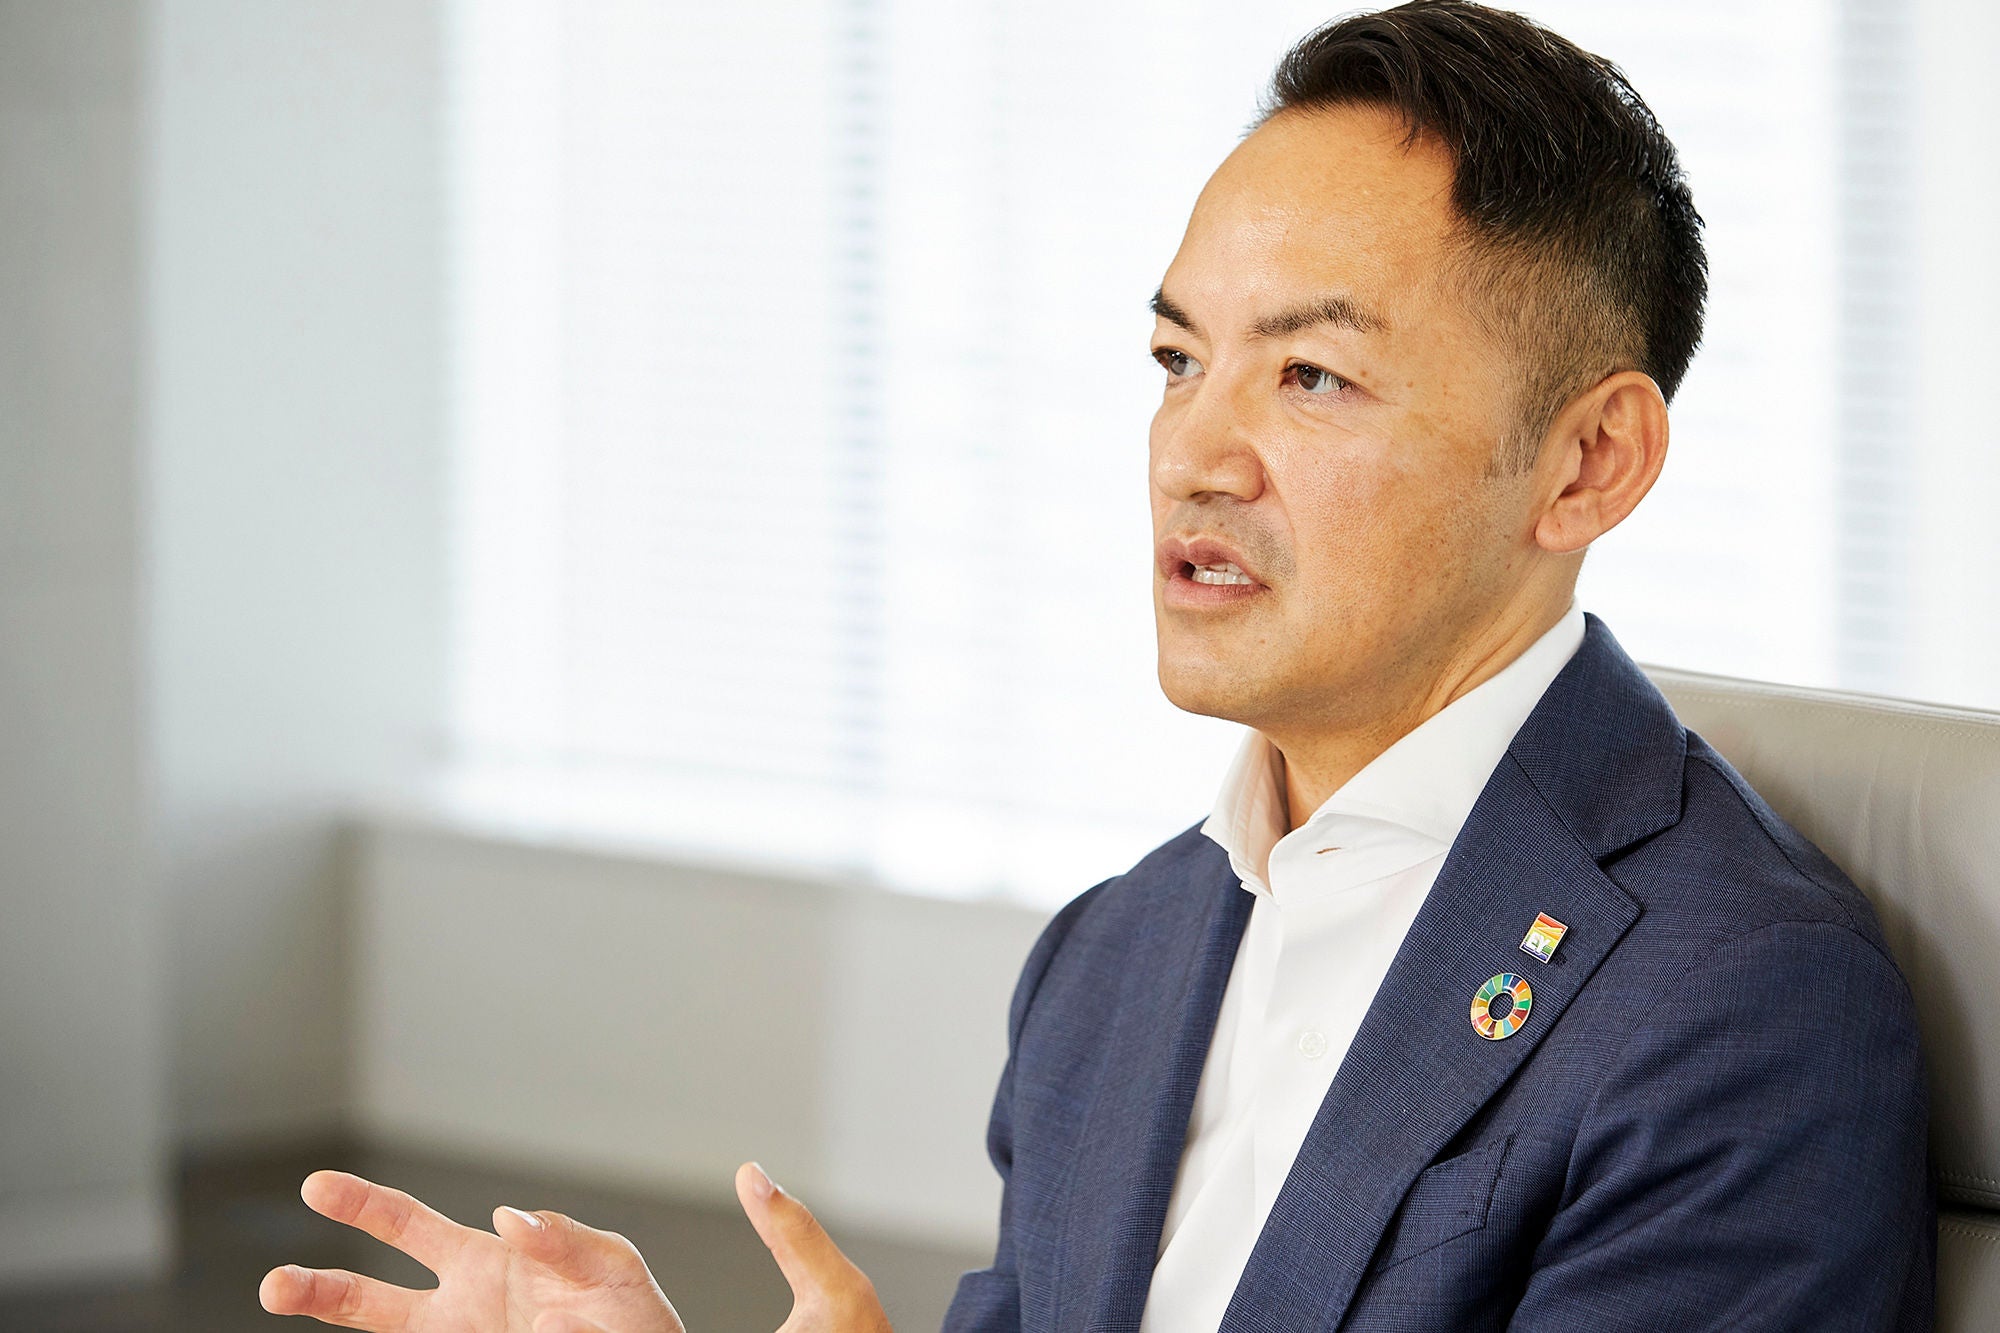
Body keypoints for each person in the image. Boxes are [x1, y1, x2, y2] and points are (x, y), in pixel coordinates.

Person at [259, 2, 1933, 1329]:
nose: (1191, 452)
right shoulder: (1114, 957)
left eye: (1313, 377)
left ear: (1587, 463)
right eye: (1176, 357)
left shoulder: (1736, 1003)